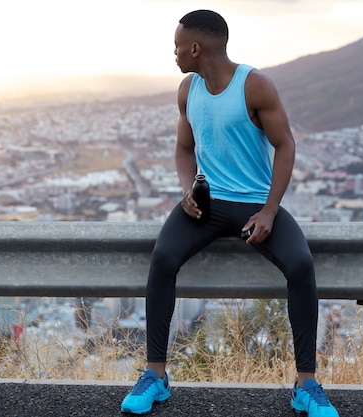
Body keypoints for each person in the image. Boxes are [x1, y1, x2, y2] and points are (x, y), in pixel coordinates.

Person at [120, 10, 339, 417]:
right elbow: (184, 150)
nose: (174, 54)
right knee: (163, 258)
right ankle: (155, 376)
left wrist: (271, 211)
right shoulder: (188, 88)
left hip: (256, 204)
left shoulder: (255, 85)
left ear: (196, 47)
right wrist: (188, 191)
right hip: (206, 204)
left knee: (302, 266)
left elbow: (286, 146)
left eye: (177, 46)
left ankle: (306, 384)